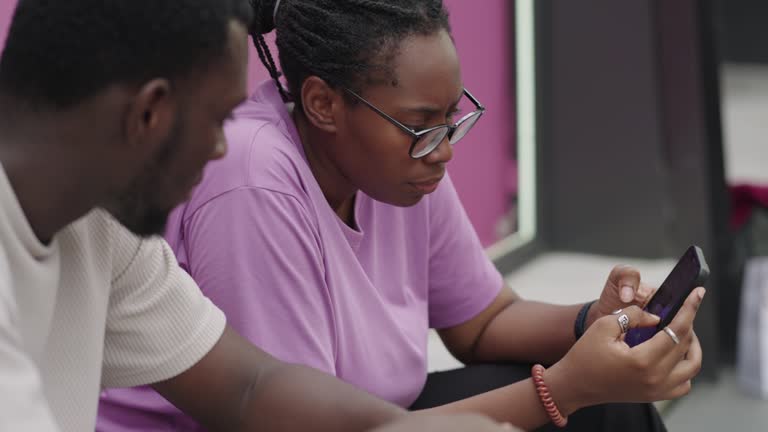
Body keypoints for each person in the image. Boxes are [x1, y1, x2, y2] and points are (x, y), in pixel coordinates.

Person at [97, 0, 706, 431]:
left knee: (611, 410)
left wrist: (595, 322)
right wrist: (567, 387)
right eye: (420, 125)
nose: (442, 150)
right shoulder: (252, 179)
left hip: (374, 417)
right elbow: (288, 419)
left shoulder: (403, 166)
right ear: (322, 103)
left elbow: (483, 323)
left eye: (450, 119)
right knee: (585, 403)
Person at [0, 1, 518, 431]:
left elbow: (250, 386)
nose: (224, 147)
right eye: (219, 119)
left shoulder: (106, 232)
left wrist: (403, 428)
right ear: (149, 114)